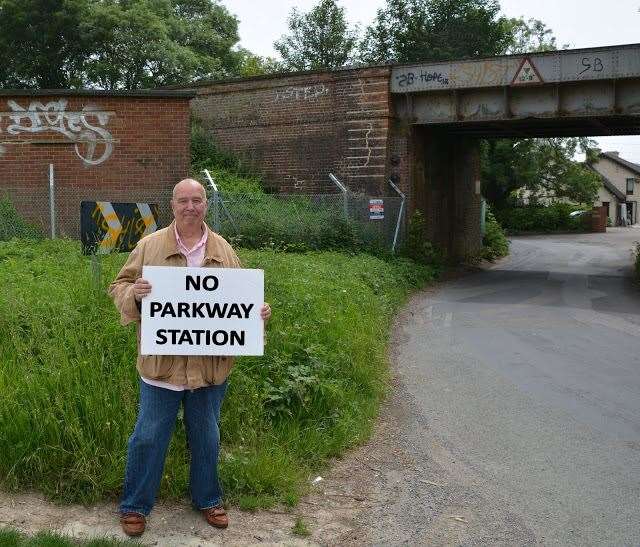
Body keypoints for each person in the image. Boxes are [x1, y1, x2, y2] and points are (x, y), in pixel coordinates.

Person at [108, 178, 271, 537]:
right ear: (172, 205)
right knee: (148, 437)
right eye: (184, 200)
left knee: (207, 437)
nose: (190, 207)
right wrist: (134, 295)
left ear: (206, 206)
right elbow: (118, 286)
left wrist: (256, 313)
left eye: (197, 200)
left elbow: (242, 299)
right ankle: (135, 505)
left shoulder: (225, 250)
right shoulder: (150, 246)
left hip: (209, 370)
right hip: (161, 369)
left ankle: (208, 498)